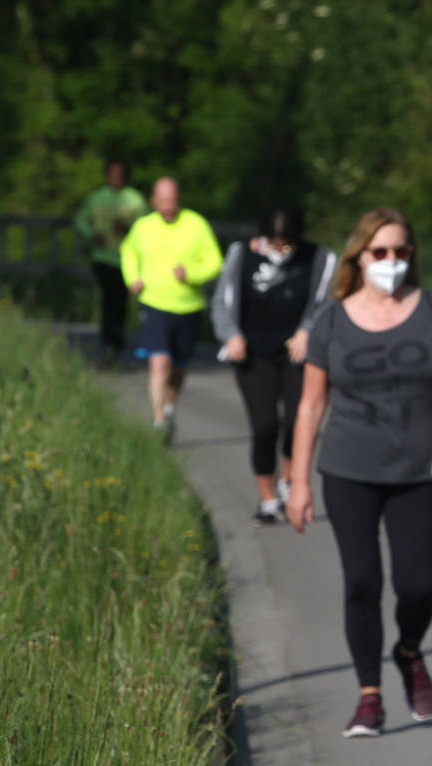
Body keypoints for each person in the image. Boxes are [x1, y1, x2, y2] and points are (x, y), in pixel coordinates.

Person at [285, 207, 432, 736]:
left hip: (419, 467)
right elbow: (310, 406)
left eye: (401, 251)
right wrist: (297, 483)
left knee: (417, 587)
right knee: (362, 582)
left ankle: (409, 650)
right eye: (380, 251)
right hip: (349, 468)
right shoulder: (332, 319)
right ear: (360, 256)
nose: (391, 261)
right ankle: (369, 696)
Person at [212, 206, 337, 524]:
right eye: (275, 242)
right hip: (254, 354)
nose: (280, 250)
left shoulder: (319, 258)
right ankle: (267, 499)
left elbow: (326, 301)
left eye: (287, 244)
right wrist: (231, 335)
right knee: (265, 426)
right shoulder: (242, 255)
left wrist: (308, 331)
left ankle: (288, 479)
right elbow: (222, 300)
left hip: (298, 354)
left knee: (298, 423)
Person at [120, 177, 224, 441]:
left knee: (178, 367)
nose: (168, 206)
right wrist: (132, 277)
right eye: (163, 200)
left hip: (188, 306)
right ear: (154, 200)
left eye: (172, 200)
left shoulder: (196, 225)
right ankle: (158, 421)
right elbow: (128, 252)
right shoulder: (143, 227)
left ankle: (169, 408)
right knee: (159, 362)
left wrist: (190, 274)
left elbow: (215, 263)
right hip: (154, 303)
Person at [73, 159, 148, 366]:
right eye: (112, 174)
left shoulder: (135, 199)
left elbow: (145, 226)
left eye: (119, 174)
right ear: (107, 176)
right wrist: (92, 235)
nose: (116, 178)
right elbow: (80, 220)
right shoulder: (97, 198)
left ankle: (117, 340)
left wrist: (127, 229)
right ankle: (108, 341)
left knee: (120, 300)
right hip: (102, 257)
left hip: (126, 258)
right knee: (108, 299)